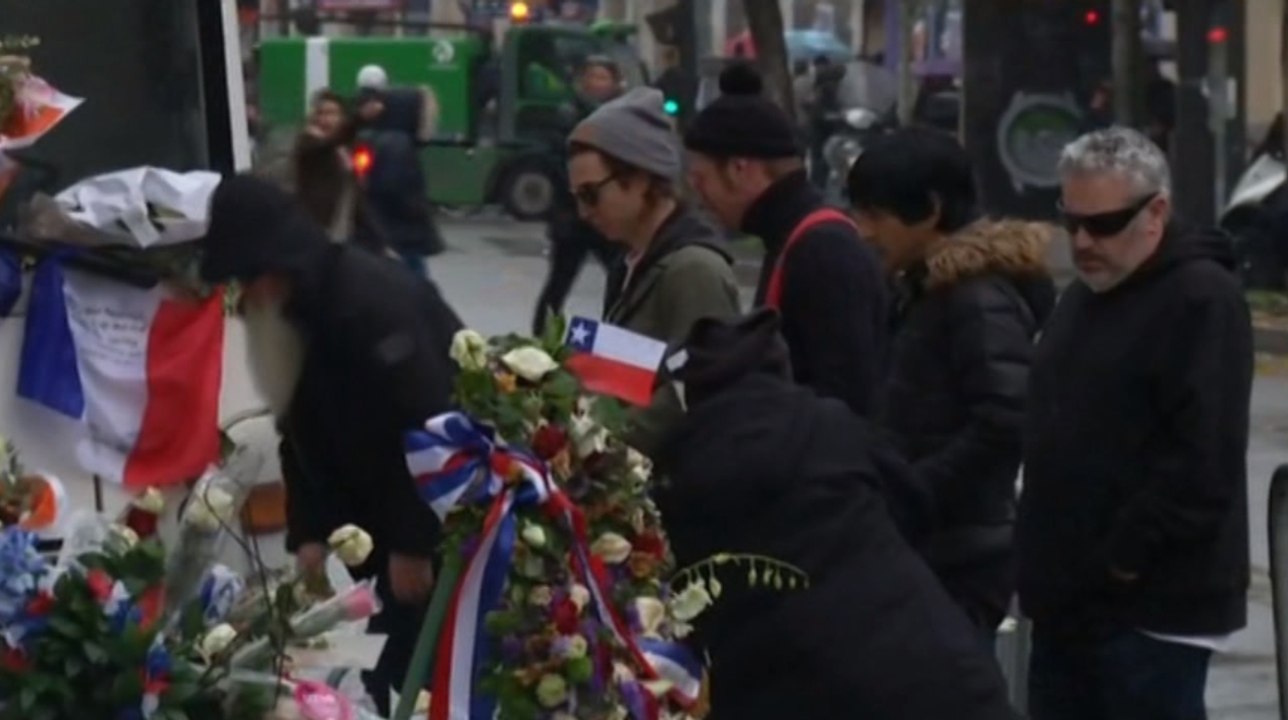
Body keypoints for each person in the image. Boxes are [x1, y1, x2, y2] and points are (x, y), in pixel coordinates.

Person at [654, 310, 1016, 720]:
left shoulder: (682, 477)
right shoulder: (830, 425)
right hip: (937, 673)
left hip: (799, 688)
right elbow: (913, 502)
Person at [199, 175, 464, 715]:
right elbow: (299, 433)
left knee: (435, 672)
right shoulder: (294, 312)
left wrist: (413, 542)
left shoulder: (366, 302)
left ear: (272, 269)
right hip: (376, 528)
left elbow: (432, 421)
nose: (242, 298)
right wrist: (310, 534)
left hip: (437, 520)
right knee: (393, 670)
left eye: (245, 280)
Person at [1018, 127, 1253, 720]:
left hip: (1149, 610)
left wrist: (1123, 558)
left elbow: (1203, 459)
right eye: (1071, 222)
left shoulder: (1201, 300)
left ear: (1156, 214)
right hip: (1071, 602)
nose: (1082, 241)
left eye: (1102, 224)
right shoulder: (1089, 295)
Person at [847, 127, 1056, 640]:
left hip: (961, 554)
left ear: (932, 209)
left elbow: (1007, 418)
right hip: (929, 544)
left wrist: (914, 489)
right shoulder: (923, 289)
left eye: (876, 215)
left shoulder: (973, 297)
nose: (863, 231)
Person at [684, 63, 889, 416]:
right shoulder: (789, 237)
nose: (699, 196)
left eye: (701, 180)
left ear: (739, 169)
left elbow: (844, 401)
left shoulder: (823, 250)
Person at [567, 87, 741, 455]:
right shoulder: (632, 263)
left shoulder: (694, 269)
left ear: (641, 179)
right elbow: (637, 368)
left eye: (590, 194)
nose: (584, 212)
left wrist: (595, 444)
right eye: (577, 198)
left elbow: (698, 391)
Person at [532, 56, 625, 335]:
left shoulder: (620, 116)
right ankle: (542, 336)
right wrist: (581, 189)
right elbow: (554, 158)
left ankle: (619, 337)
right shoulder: (568, 112)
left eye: (603, 77)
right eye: (592, 77)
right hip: (572, 214)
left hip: (609, 214)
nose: (597, 83)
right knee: (560, 280)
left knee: (622, 279)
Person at [355, 86, 444, 277]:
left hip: (384, 231)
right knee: (416, 286)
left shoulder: (376, 137)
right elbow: (394, 188)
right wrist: (419, 209)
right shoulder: (400, 144)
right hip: (402, 233)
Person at [288, 90, 387, 254]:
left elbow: (355, 192)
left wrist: (377, 238)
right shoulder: (309, 142)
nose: (326, 119)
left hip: (344, 230)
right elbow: (332, 141)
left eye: (332, 113)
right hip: (315, 228)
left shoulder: (347, 147)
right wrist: (360, 118)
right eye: (321, 113)